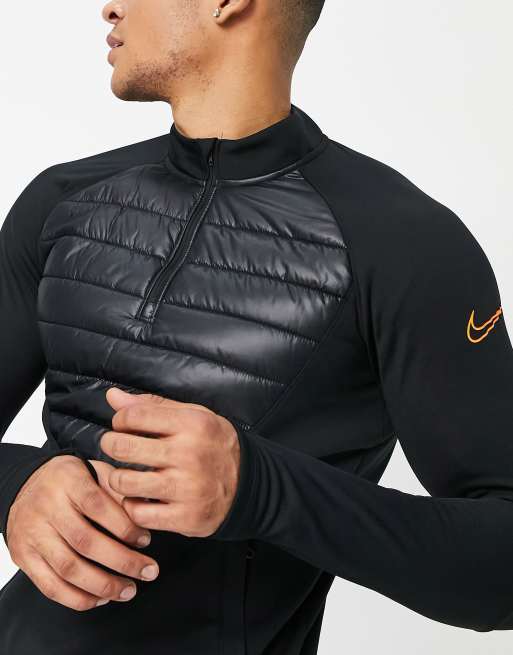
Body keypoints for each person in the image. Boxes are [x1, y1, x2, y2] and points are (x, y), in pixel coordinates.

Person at [1, 0, 512, 653]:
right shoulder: (61, 201)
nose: (111, 6)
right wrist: (14, 485)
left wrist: (263, 490)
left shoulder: (402, 243)